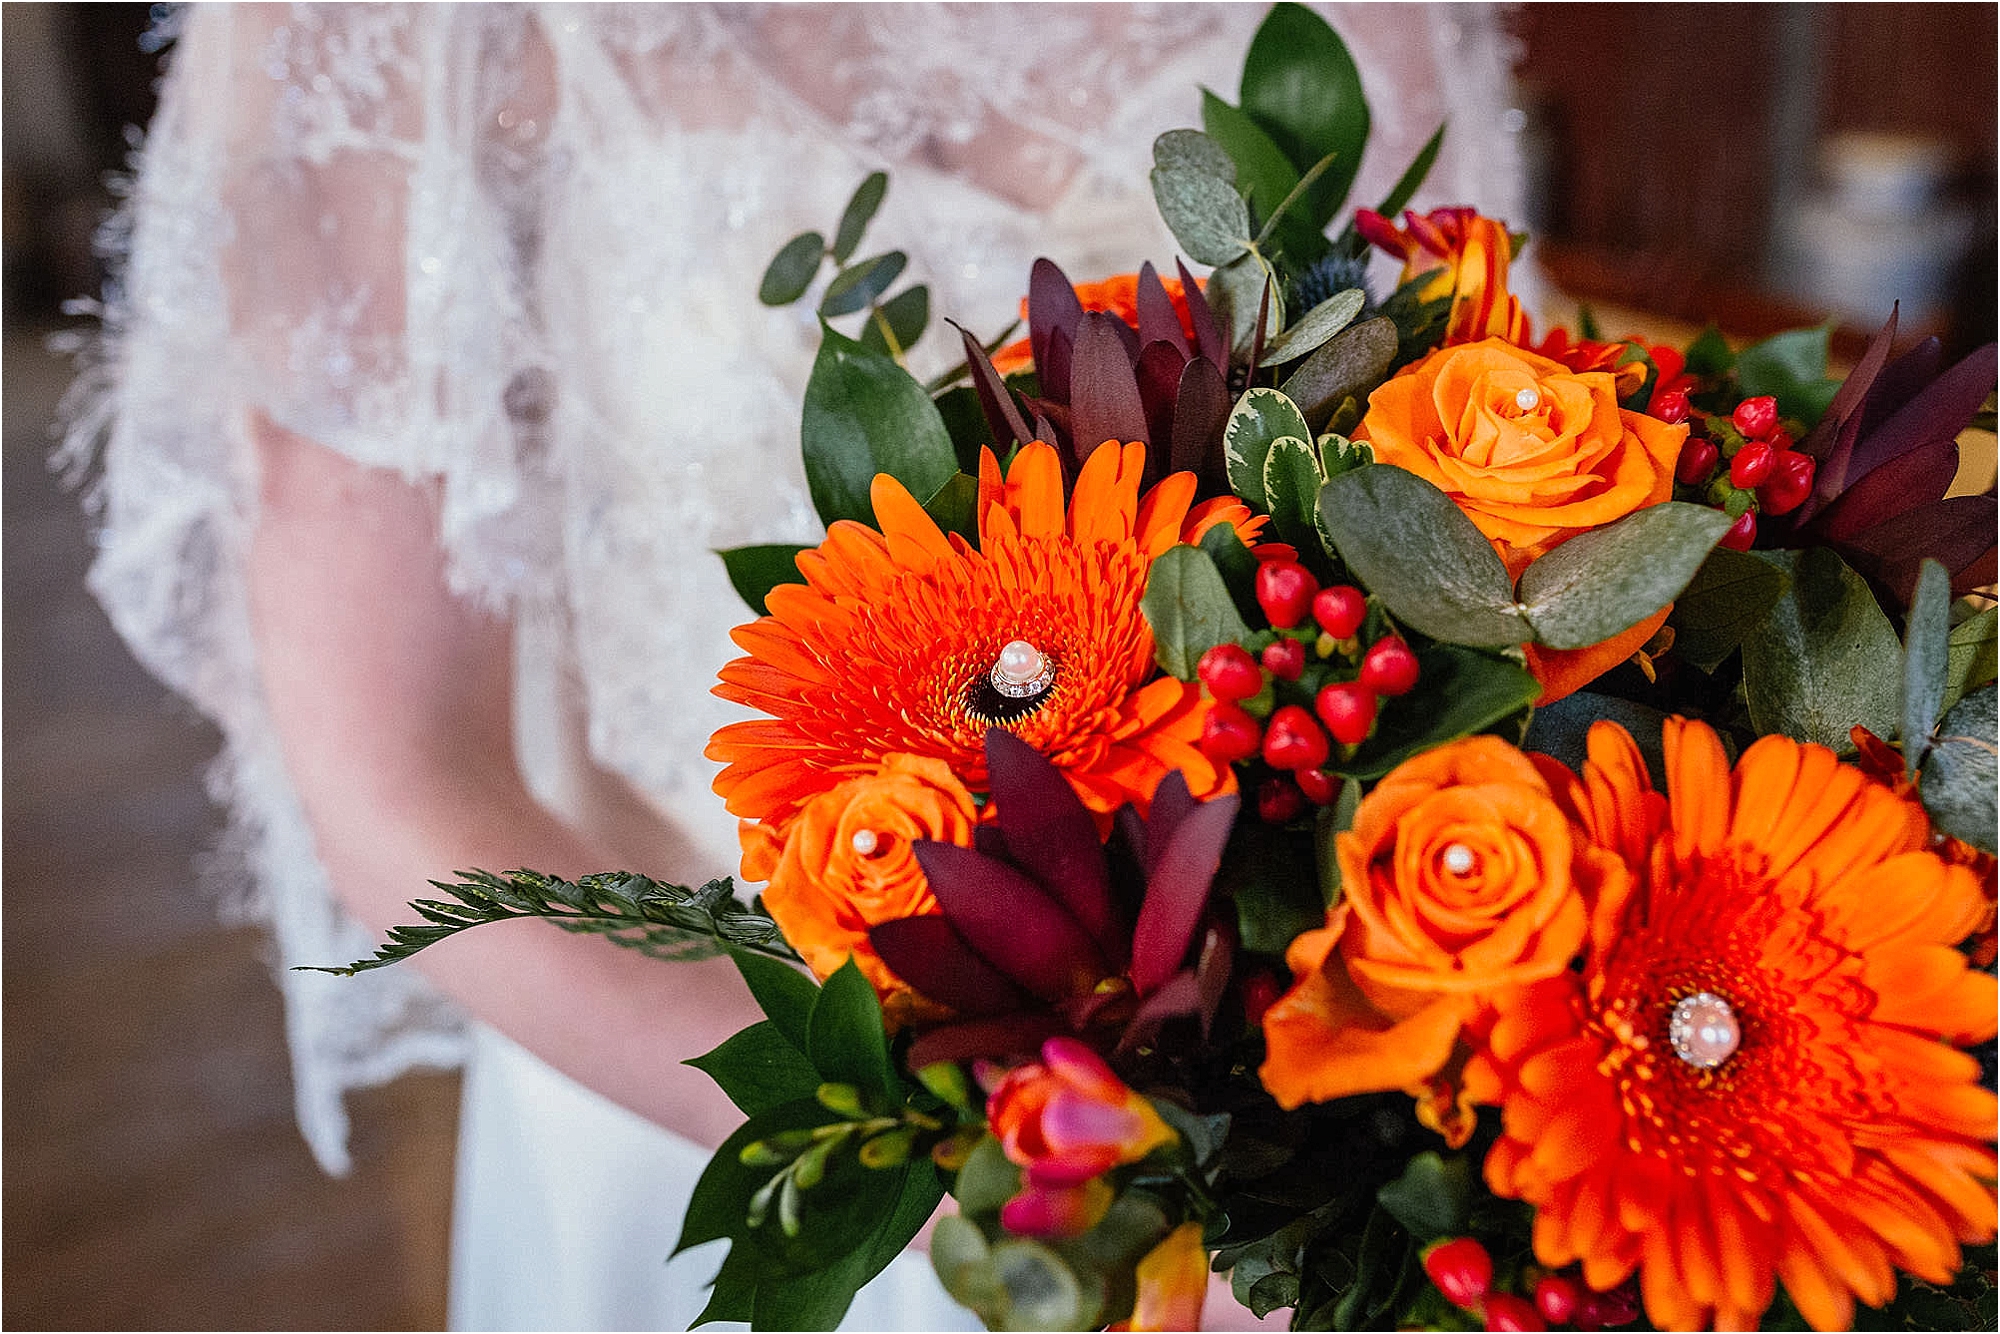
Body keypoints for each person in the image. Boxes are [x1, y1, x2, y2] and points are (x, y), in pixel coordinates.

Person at [62, 4, 1530, 1327]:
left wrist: (1314, 1186)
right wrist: (995, 1189)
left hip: (1286, 1145)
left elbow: (1444, 518)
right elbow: (396, 782)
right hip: (734, 1110)